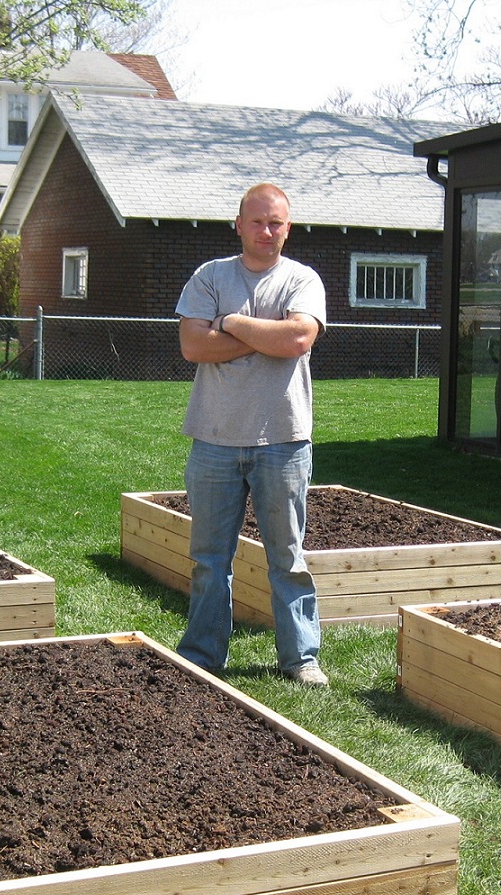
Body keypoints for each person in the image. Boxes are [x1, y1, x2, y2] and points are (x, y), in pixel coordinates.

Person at [174, 182, 329, 687]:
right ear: (238, 224)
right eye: (258, 221)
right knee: (209, 560)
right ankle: (202, 655)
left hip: (283, 441)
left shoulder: (302, 279)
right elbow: (194, 347)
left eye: (276, 222)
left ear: (289, 227)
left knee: (287, 557)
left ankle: (301, 658)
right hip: (214, 440)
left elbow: (300, 337)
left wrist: (235, 323)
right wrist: (267, 337)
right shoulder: (209, 276)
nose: (267, 231)